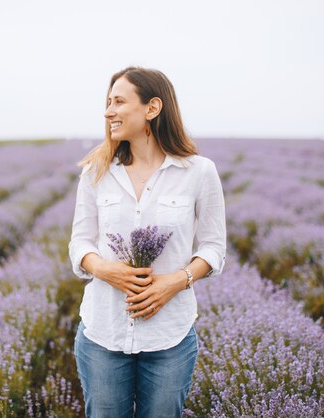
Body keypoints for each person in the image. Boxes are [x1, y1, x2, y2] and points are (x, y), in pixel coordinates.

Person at [68, 66, 226, 418]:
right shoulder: (96, 171)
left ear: (152, 108)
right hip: (103, 334)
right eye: (108, 102)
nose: (108, 111)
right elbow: (79, 243)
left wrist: (176, 282)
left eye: (119, 101)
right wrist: (105, 269)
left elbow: (214, 248)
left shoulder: (199, 172)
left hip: (169, 337)